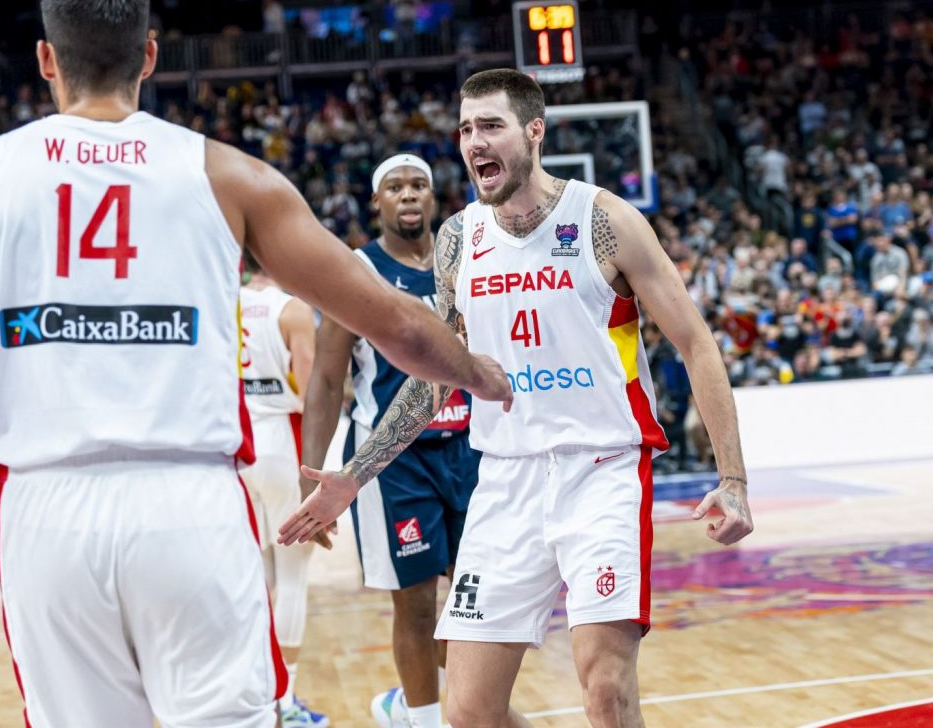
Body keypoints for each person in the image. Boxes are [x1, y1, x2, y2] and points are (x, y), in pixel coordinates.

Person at [0, 0, 510, 728]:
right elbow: (391, 321)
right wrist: (480, 373)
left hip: (43, 512)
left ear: (46, 60)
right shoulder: (230, 175)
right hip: (186, 503)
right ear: (151, 57)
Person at [281, 68, 754, 728]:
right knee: (470, 712)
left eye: (491, 126)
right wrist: (352, 477)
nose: (474, 141)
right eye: (466, 129)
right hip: (504, 479)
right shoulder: (459, 238)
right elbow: (434, 375)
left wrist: (732, 479)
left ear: (534, 132)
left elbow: (697, 344)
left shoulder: (604, 221)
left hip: (603, 471)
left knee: (606, 688)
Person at [301, 153, 481, 728]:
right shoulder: (356, 271)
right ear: (375, 202)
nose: (409, 195)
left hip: (472, 452)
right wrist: (313, 477)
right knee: (417, 599)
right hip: (393, 463)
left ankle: (432, 707)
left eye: (419, 185)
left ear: (434, 198)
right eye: (395, 187)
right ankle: (425, 720)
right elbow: (328, 377)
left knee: (473, 601)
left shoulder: (466, 261)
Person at [239, 260, 328, 728]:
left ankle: (254, 693)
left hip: (236, 444)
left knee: (256, 576)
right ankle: (286, 700)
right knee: (292, 576)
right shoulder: (291, 309)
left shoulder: (225, 302)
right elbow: (313, 389)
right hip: (281, 438)